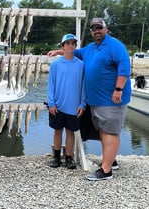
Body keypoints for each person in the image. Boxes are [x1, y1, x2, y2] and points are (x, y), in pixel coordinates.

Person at [48, 18, 131, 180]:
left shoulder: (115, 46)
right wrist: (58, 52)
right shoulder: (90, 48)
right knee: (102, 131)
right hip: (96, 101)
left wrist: (118, 89)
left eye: (99, 27)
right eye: (93, 28)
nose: (96, 31)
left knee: (111, 133)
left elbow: (124, 68)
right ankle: (111, 160)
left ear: (106, 29)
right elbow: (74, 53)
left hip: (111, 100)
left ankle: (106, 171)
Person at [47, 33, 86, 170]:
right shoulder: (55, 64)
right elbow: (51, 85)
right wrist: (51, 103)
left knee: (71, 132)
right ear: (62, 46)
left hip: (74, 106)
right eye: (67, 43)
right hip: (57, 105)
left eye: (73, 43)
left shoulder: (81, 65)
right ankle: (57, 158)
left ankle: (69, 158)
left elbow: (83, 86)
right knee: (57, 131)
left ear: (75, 46)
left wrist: (82, 104)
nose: (70, 46)